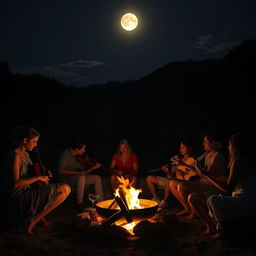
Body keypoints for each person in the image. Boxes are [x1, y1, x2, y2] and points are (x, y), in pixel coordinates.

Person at [5, 126, 71, 234]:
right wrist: (39, 177)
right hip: (19, 197)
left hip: (27, 191)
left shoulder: (25, 154)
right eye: (34, 141)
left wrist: (44, 173)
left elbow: (32, 172)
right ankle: (35, 219)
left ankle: (39, 218)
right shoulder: (15, 155)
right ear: (25, 140)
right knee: (64, 189)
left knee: (65, 189)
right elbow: (16, 183)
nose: (36, 144)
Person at [201, 132, 256, 238]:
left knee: (212, 200)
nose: (228, 147)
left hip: (245, 202)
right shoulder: (247, 160)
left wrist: (207, 176)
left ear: (235, 147)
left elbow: (228, 190)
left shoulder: (238, 161)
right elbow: (233, 180)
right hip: (250, 200)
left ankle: (221, 229)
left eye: (230, 144)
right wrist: (215, 176)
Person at [170, 131, 227, 224]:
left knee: (182, 187)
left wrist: (189, 166)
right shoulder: (208, 154)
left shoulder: (217, 156)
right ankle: (191, 210)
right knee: (179, 185)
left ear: (212, 143)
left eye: (205, 141)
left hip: (211, 186)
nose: (203, 143)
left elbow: (205, 174)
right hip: (203, 183)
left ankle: (193, 212)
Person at [146, 139, 196, 209]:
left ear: (189, 148)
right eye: (180, 147)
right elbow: (173, 174)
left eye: (183, 147)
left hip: (178, 180)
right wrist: (168, 171)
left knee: (169, 179)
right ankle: (156, 199)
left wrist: (181, 172)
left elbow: (193, 174)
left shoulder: (193, 160)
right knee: (149, 178)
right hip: (172, 178)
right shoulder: (177, 158)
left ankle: (164, 201)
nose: (181, 149)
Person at [58, 136, 103, 211]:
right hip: (66, 179)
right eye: (83, 148)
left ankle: (100, 203)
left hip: (78, 179)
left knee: (96, 177)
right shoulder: (65, 154)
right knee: (81, 177)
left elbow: (84, 173)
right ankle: (80, 204)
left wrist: (93, 167)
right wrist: (76, 172)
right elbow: (60, 170)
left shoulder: (79, 157)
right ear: (77, 148)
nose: (84, 151)